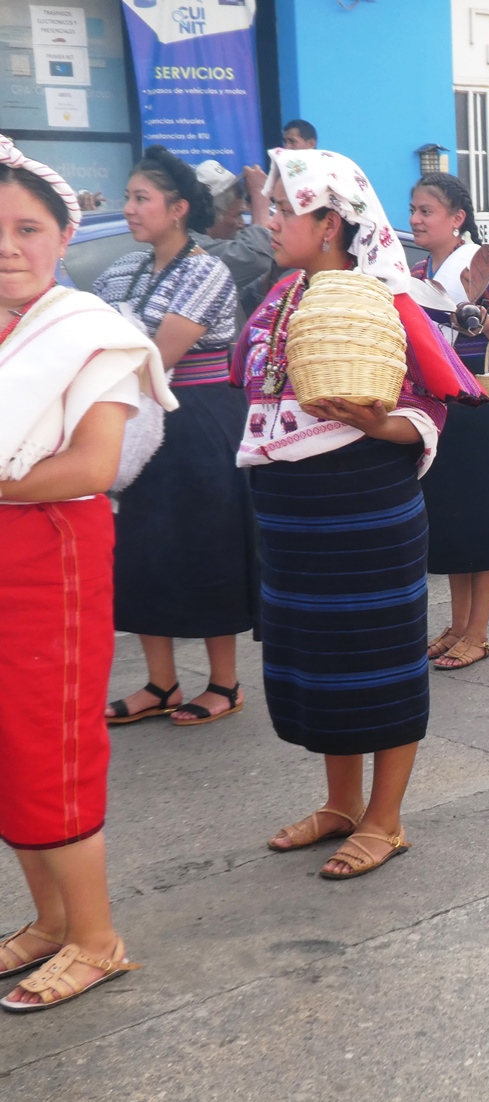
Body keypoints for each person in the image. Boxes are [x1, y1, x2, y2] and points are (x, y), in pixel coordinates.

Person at [238, 148, 483, 878]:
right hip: (292, 516)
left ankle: (386, 818)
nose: (270, 221)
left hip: (364, 508)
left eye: (287, 209)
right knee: (319, 661)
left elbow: (431, 408)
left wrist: (377, 424)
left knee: (378, 658)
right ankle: (342, 804)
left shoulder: (381, 300)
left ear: (331, 223)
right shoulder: (280, 298)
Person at [0, 136, 174, 1010]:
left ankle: (97, 938)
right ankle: (51, 921)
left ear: (64, 236)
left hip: (50, 557)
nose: (8, 247)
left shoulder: (91, 335)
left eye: (27, 228)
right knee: (7, 751)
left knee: (49, 749)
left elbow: (92, 465)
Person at [95, 148, 253, 727]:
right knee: (142, 550)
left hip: (198, 422)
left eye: (142, 198)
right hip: (138, 423)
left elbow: (157, 357)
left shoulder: (206, 271)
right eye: (128, 197)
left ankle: (224, 682)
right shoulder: (120, 271)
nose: (129, 208)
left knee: (206, 546)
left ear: (178, 208)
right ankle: (160, 683)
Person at [408, 172, 489, 670]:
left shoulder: (485, 267)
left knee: (484, 523)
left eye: (426, 211)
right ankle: (457, 626)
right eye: (413, 210)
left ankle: (477, 634)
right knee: (454, 522)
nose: (415, 219)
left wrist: (480, 317)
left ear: (457, 218)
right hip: (439, 406)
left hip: (480, 410)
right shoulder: (416, 272)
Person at [190, 159, 274, 296]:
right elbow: (256, 257)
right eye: (238, 215)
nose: (242, 224)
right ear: (212, 216)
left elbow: (241, 299)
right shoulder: (191, 248)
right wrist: (259, 194)